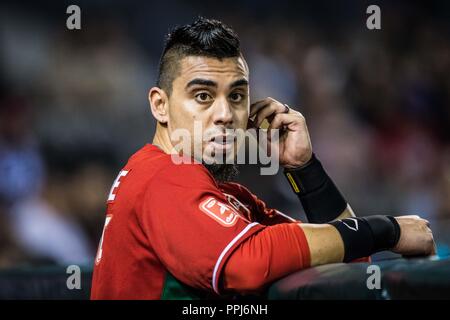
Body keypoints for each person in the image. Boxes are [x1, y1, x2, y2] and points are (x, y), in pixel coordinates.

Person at [90, 17, 435, 299]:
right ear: (160, 105)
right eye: (203, 95)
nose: (225, 113)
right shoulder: (162, 176)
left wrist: (304, 169)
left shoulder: (230, 199)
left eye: (237, 95)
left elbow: (348, 258)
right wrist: (387, 230)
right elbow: (247, 266)